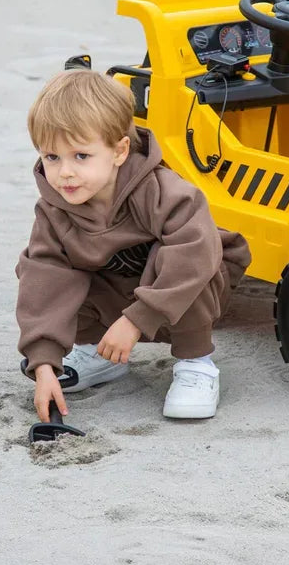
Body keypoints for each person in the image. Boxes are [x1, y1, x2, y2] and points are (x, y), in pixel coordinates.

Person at [16, 69, 250, 422]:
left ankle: (196, 363)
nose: (65, 172)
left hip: (181, 295)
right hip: (118, 294)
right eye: (52, 157)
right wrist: (44, 362)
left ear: (119, 151)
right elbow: (44, 280)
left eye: (81, 156)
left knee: (186, 259)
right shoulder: (53, 210)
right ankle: (98, 353)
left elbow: (196, 249)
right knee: (53, 269)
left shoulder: (160, 190)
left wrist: (139, 319)